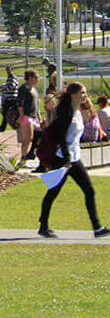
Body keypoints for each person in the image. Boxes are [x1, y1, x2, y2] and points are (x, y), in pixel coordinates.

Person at [38, 81, 110, 238]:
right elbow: (61, 137)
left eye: (85, 93)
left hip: (74, 157)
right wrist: (67, 160)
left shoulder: (77, 111)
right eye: (82, 93)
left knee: (88, 191)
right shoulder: (66, 113)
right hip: (63, 159)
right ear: (73, 94)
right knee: (53, 192)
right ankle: (43, 226)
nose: (85, 96)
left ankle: (97, 227)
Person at [14, 69, 41, 164]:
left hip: (34, 117)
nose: (37, 79)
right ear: (30, 78)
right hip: (26, 116)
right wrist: (21, 115)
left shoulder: (35, 90)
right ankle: (23, 158)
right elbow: (20, 103)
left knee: (38, 134)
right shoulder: (24, 88)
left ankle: (32, 153)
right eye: (36, 77)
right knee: (27, 139)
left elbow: (37, 105)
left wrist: (39, 118)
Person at [0, 66, 19, 132]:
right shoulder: (9, 78)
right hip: (9, 98)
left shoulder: (13, 78)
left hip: (13, 99)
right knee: (5, 113)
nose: (8, 71)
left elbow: (11, 87)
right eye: (7, 70)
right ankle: (2, 128)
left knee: (8, 113)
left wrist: (2, 87)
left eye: (9, 70)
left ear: (12, 70)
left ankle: (4, 127)